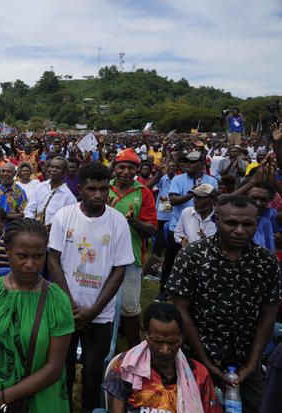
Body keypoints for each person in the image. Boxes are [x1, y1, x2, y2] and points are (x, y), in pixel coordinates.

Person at [167, 195, 282, 413]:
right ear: (217, 219)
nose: (240, 230)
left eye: (247, 224)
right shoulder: (192, 256)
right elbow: (181, 313)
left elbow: (268, 316)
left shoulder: (267, 262)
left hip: (246, 358)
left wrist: (251, 365)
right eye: (231, 223)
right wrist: (206, 364)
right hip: (196, 356)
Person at [48, 162, 134, 413]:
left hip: (101, 314)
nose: (98, 195)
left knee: (94, 370)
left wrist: (93, 311)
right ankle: (62, 407)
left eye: (103, 189)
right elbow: (53, 259)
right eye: (92, 189)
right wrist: (70, 305)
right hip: (65, 311)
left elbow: (120, 269)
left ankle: (88, 409)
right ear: (81, 190)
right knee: (61, 367)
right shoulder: (65, 216)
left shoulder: (118, 222)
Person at [0, 218, 74, 413]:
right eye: (22, 256)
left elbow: (54, 368)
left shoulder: (57, 301)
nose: (30, 264)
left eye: (38, 256)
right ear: (7, 251)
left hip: (39, 403)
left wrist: (2, 399)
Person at [102, 302, 221, 413]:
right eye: (158, 342)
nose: (165, 350)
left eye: (172, 342)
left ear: (181, 337)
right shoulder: (126, 366)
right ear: (146, 334)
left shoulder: (198, 374)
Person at [108, 148, 157, 348]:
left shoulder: (143, 192)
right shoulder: (104, 188)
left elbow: (152, 229)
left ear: (137, 170)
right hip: (102, 257)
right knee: (103, 307)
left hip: (131, 258)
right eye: (122, 167)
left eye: (131, 168)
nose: (126, 172)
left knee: (129, 309)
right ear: (115, 168)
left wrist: (134, 222)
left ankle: (134, 349)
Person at [161, 151, 217, 301]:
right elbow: (172, 201)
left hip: (201, 230)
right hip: (178, 229)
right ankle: (164, 290)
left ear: (201, 164)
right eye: (186, 162)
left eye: (192, 162)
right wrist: (194, 193)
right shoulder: (178, 179)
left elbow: (213, 200)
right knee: (171, 262)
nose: (187, 164)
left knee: (199, 266)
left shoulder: (211, 181)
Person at [24, 156, 76, 227]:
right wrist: (33, 224)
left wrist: (54, 226)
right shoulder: (40, 187)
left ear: (65, 171)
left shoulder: (69, 197)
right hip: (35, 230)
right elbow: (29, 209)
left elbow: (69, 221)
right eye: (52, 166)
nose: (54, 170)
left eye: (58, 168)